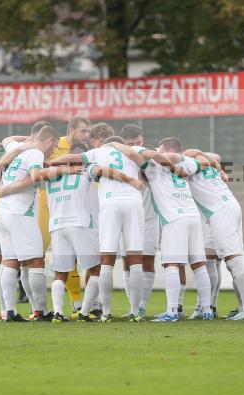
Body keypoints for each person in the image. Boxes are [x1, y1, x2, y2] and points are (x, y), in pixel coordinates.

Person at [48, 134, 146, 322]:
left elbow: (63, 162)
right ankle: (132, 311)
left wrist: (47, 163)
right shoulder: (126, 154)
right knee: (127, 262)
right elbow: (106, 169)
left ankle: (67, 312)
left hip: (58, 224)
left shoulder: (52, 173)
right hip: (86, 220)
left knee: (67, 271)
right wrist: (131, 180)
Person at [116, 137, 213, 323]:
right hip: (192, 217)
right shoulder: (188, 163)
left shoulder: (153, 165)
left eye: (161, 150)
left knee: (171, 265)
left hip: (173, 219)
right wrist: (190, 154)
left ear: (167, 150)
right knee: (199, 265)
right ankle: (207, 310)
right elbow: (206, 161)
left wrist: (113, 144)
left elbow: (132, 153)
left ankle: (172, 311)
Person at [180, 147, 244, 321]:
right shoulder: (211, 167)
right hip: (223, 209)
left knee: (233, 260)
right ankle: (210, 306)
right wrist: (200, 152)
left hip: (220, 212)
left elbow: (180, 169)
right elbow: (213, 161)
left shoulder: (190, 165)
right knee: (213, 259)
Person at [0, 125, 60, 322]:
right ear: (49, 141)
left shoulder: (19, 149)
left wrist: (27, 141)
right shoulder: (36, 154)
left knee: (10, 261)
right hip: (21, 213)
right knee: (36, 261)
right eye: (54, 145)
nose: (53, 150)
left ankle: (10, 312)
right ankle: (41, 311)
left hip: (3, 212)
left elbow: (7, 140)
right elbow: (35, 176)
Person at [120, 124, 160, 317]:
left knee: (148, 262)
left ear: (143, 141)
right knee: (128, 263)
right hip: (128, 219)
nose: (136, 147)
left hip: (150, 219)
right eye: (131, 144)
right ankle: (132, 307)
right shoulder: (119, 162)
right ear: (124, 145)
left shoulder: (152, 161)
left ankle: (142, 306)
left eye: (139, 143)